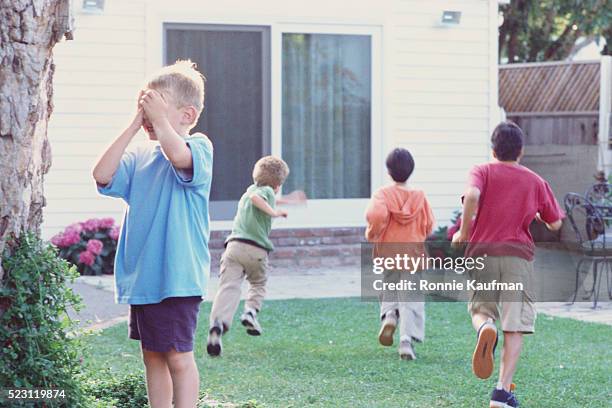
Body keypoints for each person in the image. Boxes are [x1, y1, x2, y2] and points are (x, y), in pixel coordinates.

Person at [93, 60, 211, 408]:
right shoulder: (140, 156)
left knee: (178, 356)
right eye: (146, 106)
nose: (149, 115)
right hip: (144, 278)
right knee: (153, 356)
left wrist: (159, 121)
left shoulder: (199, 148)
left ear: (187, 114)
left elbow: (178, 155)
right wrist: (134, 124)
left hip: (177, 276)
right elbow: (102, 174)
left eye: (157, 106)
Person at [452, 121, 564, 408]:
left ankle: (484, 328)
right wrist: (537, 214)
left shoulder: (482, 171)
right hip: (518, 258)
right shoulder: (535, 181)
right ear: (521, 151)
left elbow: (473, 196)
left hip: (483, 253)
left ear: (493, 148)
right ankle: (501, 393)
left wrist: (464, 233)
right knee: (514, 325)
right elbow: (555, 223)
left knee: (480, 309)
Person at [207, 156, 304, 357]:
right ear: (278, 185)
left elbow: (259, 196)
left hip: (233, 247)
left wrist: (289, 200)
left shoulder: (250, 190)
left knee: (229, 287)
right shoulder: (264, 193)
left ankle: (218, 324)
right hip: (256, 250)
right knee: (258, 284)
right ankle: (250, 312)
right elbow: (259, 199)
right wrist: (274, 213)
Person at [365, 148, 435, 360]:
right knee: (410, 296)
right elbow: (429, 224)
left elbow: (375, 215)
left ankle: (389, 316)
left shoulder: (383, 194)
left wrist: (372, 233)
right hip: (412, 253)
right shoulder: (420, 196)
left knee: (390, 286)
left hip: (388, 251)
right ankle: (405, 340)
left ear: (388, 171)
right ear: (410, 170)